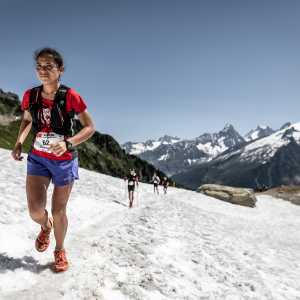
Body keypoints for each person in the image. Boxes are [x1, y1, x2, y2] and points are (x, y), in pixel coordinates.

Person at [11, 47, 95, 272]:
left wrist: (68, 143)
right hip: (38, 158)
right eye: (39, 67)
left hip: (64, 160)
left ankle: (59, 249)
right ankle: (45, 227)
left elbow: (90, 127)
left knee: (59, 211)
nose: (42, 71)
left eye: (48, 67)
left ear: (60, 70)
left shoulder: (70, 96)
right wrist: (19, 141)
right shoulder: (32, 95)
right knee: (35, 211)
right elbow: (27, 120)